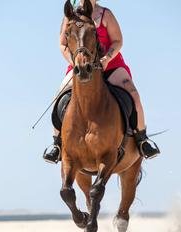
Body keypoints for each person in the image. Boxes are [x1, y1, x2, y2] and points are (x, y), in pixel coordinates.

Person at [43, 0, 160, 164]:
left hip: (110, 64)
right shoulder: (70, 16)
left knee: (133, 93)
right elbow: (63, 44)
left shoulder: (105, 14)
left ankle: (142, 139)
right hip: (81, 67)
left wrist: (106, 59)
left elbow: (118, 41)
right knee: (59, 96)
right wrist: (74, 62)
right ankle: (56, 144)